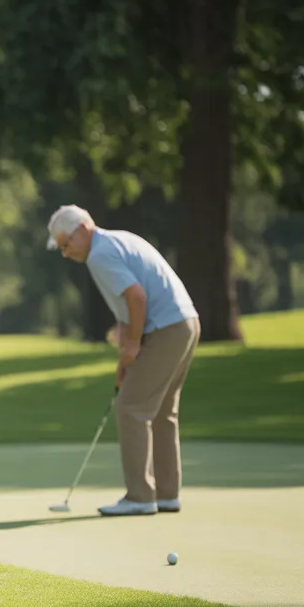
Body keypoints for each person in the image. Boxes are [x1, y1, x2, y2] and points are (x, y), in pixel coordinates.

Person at [46, 204, 200, 516]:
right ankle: (167, 494)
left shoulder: (100, 254)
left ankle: (141, 496)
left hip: (166, 329)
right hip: (186, 323)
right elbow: (127, 311)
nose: (65, 253)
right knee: (161, 411)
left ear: (82, 229)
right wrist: (126, 358)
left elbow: (137, 298)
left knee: (131, 407)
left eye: (65, 244)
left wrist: (131, 347)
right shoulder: (116, 241)